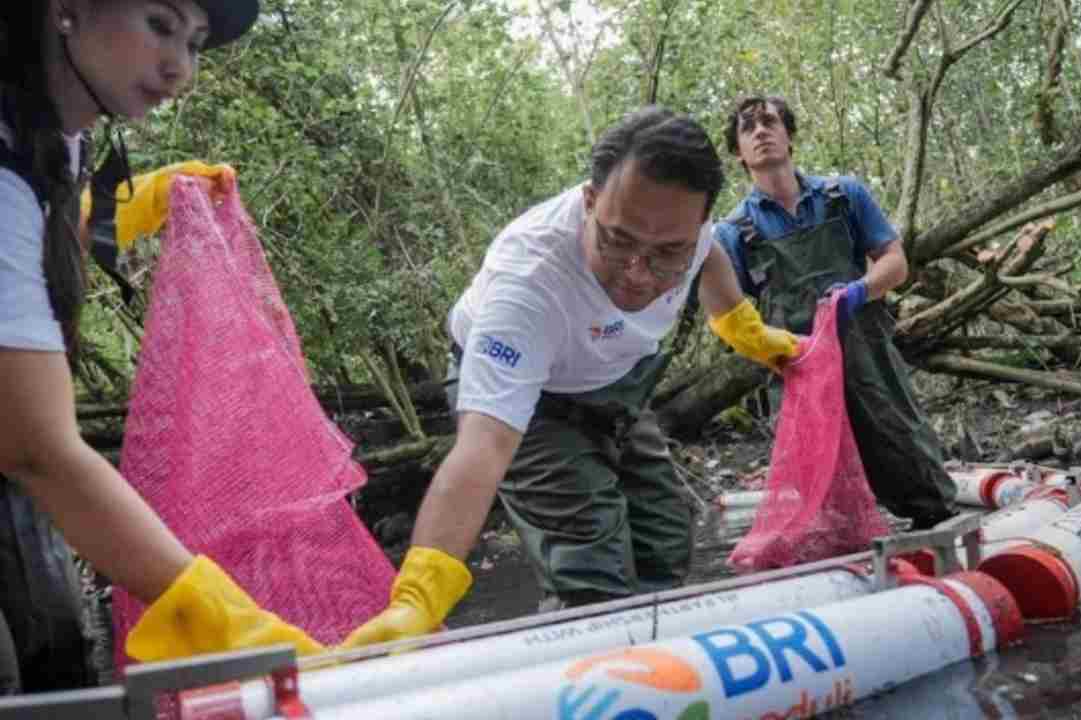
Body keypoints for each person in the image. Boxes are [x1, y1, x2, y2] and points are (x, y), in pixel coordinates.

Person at [340, 106, 798, 647]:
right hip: (530, 408)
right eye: (618, 240)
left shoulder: (693, 233)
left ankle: (654, 671)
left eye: (667, 252)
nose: (638, 272)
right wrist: (419, 596)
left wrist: (747, 329)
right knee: (592, 573)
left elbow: (710, 256)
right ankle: (589, 669)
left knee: (666, 535)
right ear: (589, 202)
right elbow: (482, 448)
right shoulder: (527, 284)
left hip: (616, 385)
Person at [0, 0, 323, 693]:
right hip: (18, 452)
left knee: (52, 656)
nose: (180, 65)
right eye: (159, 24)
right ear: (66, 11)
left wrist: (142, 201)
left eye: (196, 41)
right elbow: (37, 448)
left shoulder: (60, 133)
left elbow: (44, 244)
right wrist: (227, 619)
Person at [713, 94, 956, 531]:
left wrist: (862, 290)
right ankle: (842, 549)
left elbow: (895, 262)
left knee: (898, 436)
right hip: (795, 363)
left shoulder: (844, 196)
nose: (761, 132)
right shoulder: (732, 233)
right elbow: (729, 312)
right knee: (817, 469)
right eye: (748, 128)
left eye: (770, 122)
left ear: (789, 135)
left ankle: (937, 527)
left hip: (865, 349)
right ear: (738, 151)